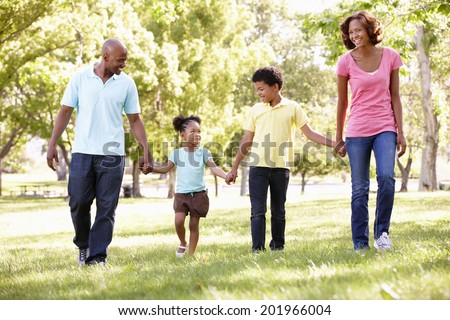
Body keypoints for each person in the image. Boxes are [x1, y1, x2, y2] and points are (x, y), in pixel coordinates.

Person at [47, 38, 151, 266]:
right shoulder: (80, 78)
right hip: (83, 152)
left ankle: (98, 255)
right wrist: (52, 143)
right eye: (120, 60)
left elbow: (135, 119)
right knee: (79, 202)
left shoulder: (127, 84)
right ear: (105, 57)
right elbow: (65, 111)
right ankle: (83, 245)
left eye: (125, 60)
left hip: (112, 154)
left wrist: (145, 149)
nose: (123, 64)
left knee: (107, 207)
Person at [225, 66, 338, 252]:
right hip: (257, 167)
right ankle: (257, 250)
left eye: (261, 89)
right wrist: (234, 168)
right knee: (258, 211)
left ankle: (278, 247)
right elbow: (247, 140)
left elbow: (309, 134)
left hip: (280, 168)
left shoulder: (292, 107)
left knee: (278, 212)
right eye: (257, 90)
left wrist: (335, 143)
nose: (259, 93)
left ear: (275, 87)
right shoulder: (255, 110)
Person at [335, 11, 407, 251]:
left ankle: (382, 233)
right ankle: (360, 242)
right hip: (356, 130)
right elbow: (342, 102)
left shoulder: (391, 57)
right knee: (360, 188)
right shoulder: (345, 62)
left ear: (370, 30)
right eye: (351, 32)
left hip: (385, 126)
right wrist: (338, 136)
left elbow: (395, 97)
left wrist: (401, 131)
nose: (355, 35)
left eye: (359, 30)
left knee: (386, 178)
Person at [142, 115, 228, 258]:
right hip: (182, 194)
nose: (197, 135)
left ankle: (191, 255)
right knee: (179, 221)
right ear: (182, 135)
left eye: (199, 131)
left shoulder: (204, 153)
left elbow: (215, 168)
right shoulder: (176, 154)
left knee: (193, 225)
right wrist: (152, 169)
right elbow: (165, 168)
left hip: (198, 194)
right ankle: (183, 242)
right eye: (193, 131)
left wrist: (226, 176)